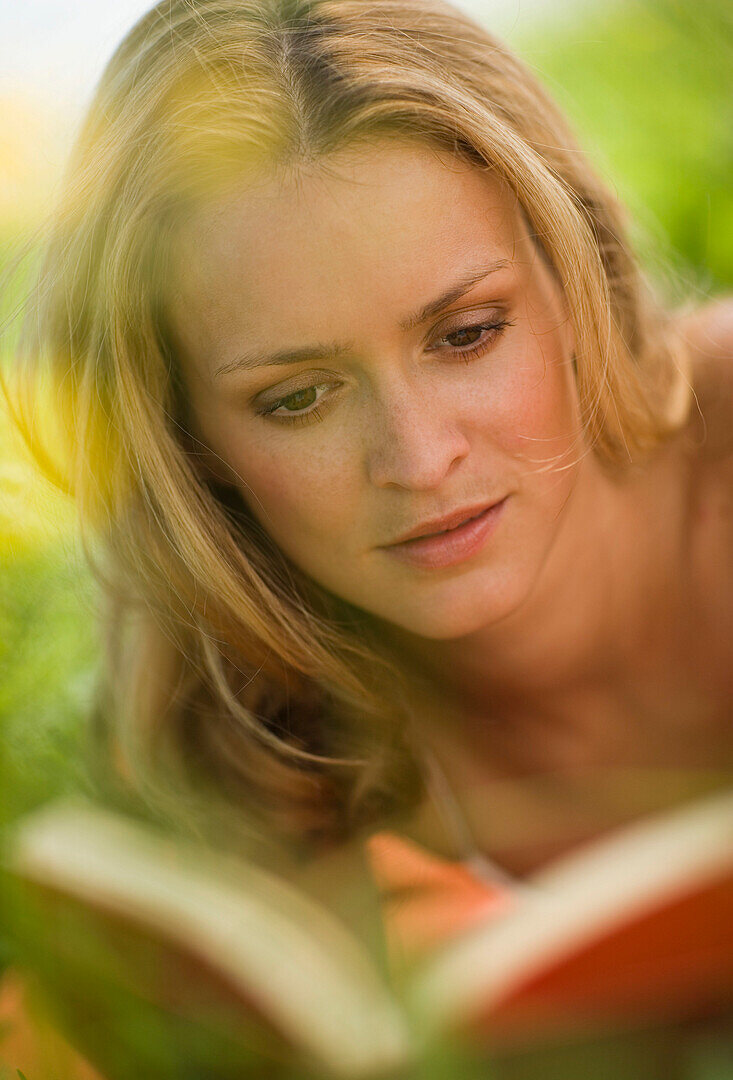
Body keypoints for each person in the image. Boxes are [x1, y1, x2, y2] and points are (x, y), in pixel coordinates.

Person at [8, 0, 733, 915]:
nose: (421, 460)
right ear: (187, 441)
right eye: (297, 399)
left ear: (573, 267)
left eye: (466, 335)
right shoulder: (249, 752)